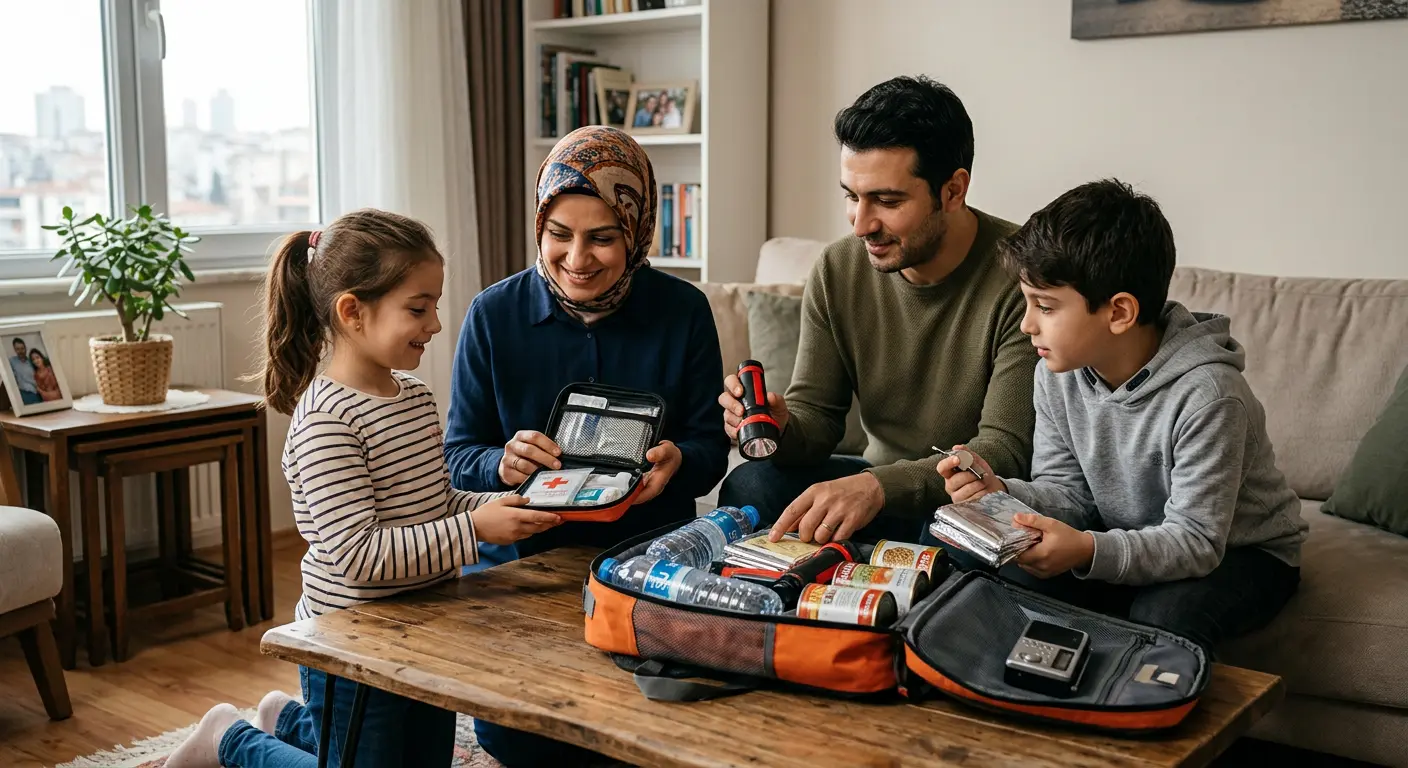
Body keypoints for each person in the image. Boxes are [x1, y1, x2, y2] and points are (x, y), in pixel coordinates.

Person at [166, 209, 561, 768]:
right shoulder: (326, 421)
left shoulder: (415, 397)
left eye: (435, 306)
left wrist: (499, 505)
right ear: (352, 312)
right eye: (418, 308)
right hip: (353, 643)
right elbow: (358, 555)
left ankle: (288, 719)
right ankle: (228, 737)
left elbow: (435, 503)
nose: (435, 324)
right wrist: (475, 529)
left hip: (427, 623)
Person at [444, 125, 728, 766]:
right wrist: (501, 463)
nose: (578, 258)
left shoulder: (684, 311)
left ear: (637, 231)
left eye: (602, 237)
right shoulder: (492, 315)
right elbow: (457, 453)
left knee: (648, 739)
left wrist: (679, 463)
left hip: (646, 559)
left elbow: (711, 448)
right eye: (559, 235)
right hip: (519, 566)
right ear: (538, 230)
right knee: (517, 743)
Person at [937, 178, 1308, 655]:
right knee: (965, 553)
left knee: (1163, 619)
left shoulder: (1210, 396)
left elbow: (1195, 541)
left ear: (1119, 313)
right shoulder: (1056, 371)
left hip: (1240, 553)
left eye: (1045, 307)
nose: (1027, 324)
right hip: (1124, 535)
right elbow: (1070, 494)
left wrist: (1088, 551)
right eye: (1027, 303)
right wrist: (1002, 493)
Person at [718, 75, 1039, 546]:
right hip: (878, 483)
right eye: (852, 196)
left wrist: (877, 488)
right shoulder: (837, 268)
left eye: (887, 201)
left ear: (953, 190)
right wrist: (783, 426)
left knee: (978, 538)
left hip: (971, 500)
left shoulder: (1024, 275)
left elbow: (1003, 449)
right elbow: (818, 417)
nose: (862, 224)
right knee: (750, 487)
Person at [8, 338, 42, 405]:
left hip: (37, 392)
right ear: (14, 349)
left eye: (22, 348)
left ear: (25, 348)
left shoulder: (31, 361)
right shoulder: (11, 361)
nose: (20, 351)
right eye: (17, 349)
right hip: (24, 393)